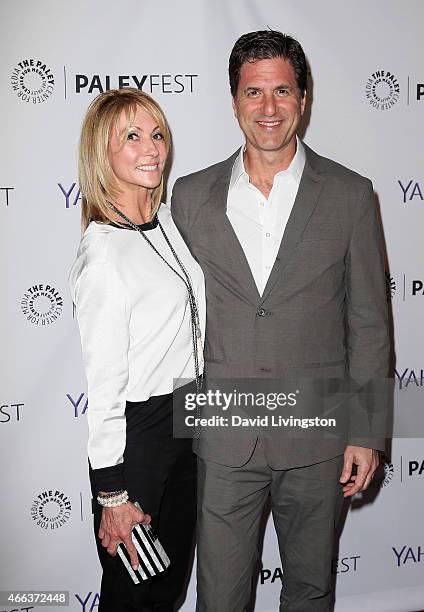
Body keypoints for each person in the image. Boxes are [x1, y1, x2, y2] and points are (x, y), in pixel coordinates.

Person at [171, 30, 390, 611]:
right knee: (218, 597)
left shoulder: (350, 195)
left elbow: (369, 320)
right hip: (223, 438)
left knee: (310, 592)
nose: (268, 108)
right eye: (253, 92)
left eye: (282, 91)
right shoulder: (189, 198)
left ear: (303, 98)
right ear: (234, 99)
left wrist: (367, 432)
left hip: (318, 437)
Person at [69, 88, 205, 612]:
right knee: (135, 595)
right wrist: (112, 495)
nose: (152, 149)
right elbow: (103, 390)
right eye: (132, 137)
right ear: (102, 154)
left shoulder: (166, 221)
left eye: (157, 135)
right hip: (139, 443)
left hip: (190, 425)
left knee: (168, 588)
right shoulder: (104, 256)